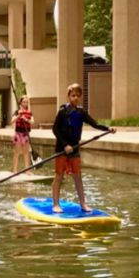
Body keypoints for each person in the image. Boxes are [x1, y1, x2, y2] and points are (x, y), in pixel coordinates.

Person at [51, 83, 116, 213]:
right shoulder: (62, 112)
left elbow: (94, 124)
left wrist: (108, 128)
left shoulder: (81, 112)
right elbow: (55, 130)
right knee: (59, 176)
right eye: (73, 95)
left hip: (75, 148)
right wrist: (65, 145)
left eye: (78, 96)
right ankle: (56, 204)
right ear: (68, 96)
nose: (75, 98)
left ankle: (83, 203)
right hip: (61, 149)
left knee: (77, 176)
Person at [11, 95, 34, 173]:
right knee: (17, 152)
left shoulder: (29, 112)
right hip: (18, 134)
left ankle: (27, 171)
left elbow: (33, 122)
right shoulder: (17, 112)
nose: (25, 103)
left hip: (26, 134)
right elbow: (12, 121)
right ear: (20, 103)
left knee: (26, 153)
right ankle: (15, 171)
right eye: (24, 102)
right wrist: (18, 116)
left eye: (27, 102)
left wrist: (25, 119)